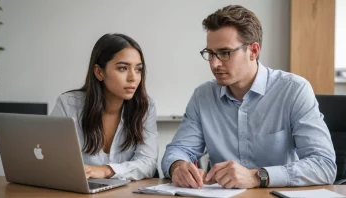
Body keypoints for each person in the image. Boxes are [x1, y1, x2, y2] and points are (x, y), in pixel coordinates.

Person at [161, 5, 336, 189]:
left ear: (253, 51)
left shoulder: (293, 91)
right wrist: (178, 166)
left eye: (224, 53)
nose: (214, 63)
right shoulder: (202, 96)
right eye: (210, 53)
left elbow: (324, 165)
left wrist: (257, 176)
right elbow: (177, 150)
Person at [51, 33, 158, 180]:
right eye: (123, 68)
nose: (133, 77)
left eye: (138, 69)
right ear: (99, 72)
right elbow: (51, 159)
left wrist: (106, 170)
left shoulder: (145, 107)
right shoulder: (68, 105)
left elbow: (148, 163)